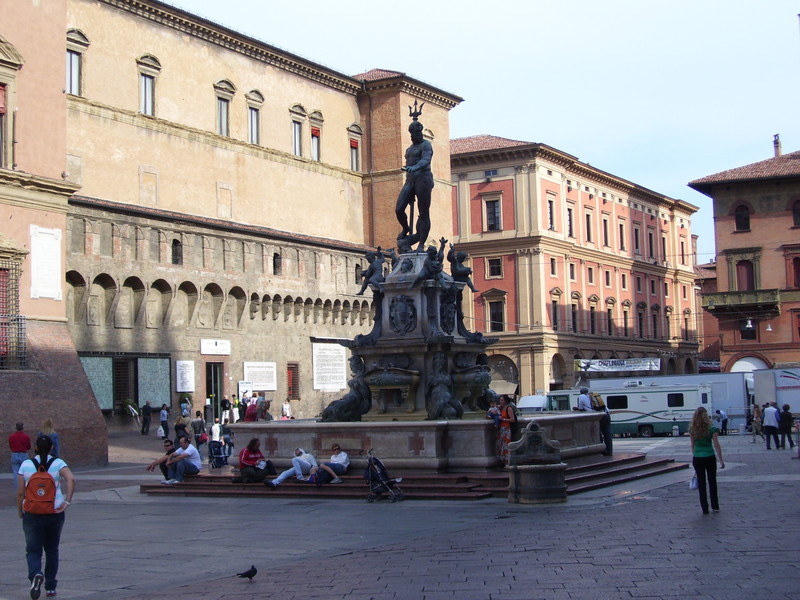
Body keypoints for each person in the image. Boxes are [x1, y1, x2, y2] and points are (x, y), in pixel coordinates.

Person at [16, 434, 75, 599]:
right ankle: (50, 587)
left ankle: (35, 573)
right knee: (52, 549)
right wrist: (67, 501)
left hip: (32, 511)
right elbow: (71, 479)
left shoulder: (26, 464)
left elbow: (21, 492)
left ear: (35, 448)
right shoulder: (58, 463)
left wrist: (20, 510)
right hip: (54, 511)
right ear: (51, 448)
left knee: (33, 550)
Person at [395, 103, 434, 252]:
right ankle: (406, 228)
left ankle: (421, 244)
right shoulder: (409, 149)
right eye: (412, 134)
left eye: (416, 134)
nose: (414, 136)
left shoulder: (426, 145)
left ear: (420, 133)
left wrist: (415, 167)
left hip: (423, 179)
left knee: (423, 213)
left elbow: (426, 160)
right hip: (410, 181)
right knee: (399, 209)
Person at [688, 406, 724, 514]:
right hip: (710, 456)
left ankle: (704, 508)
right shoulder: (712, 429)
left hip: (698, 458)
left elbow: (692, 445)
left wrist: (695, 455)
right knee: (712, 481)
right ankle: (715, 505)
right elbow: (716, 444)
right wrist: (721, 460)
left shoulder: (692, 430)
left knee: (702, 483)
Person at [9, 422, 32, 491]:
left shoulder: (11, 437)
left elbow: (11, 446)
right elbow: (28, 447)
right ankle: (25, 490)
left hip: (15, 454)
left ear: (16, 428)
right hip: (23, 454)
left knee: (16, 473)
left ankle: (19, 491)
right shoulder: (26, 437)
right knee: (25, 472)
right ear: (22, 428)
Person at [496, 395, 517, 461]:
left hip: (506, 429)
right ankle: (502, 460)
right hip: (501, 429)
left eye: (502, 400)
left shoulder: (509, 408)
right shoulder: (501, 408)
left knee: (506, 445)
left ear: (506, 401)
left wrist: (503, 419)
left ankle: (507, 460)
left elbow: (512, 419)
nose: (500, 401)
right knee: (500, 445)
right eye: (500, 400)